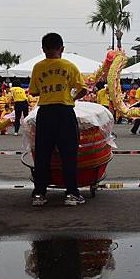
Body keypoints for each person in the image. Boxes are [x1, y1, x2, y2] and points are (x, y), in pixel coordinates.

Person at [28, 32, 87, 207]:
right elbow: (83, 88)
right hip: (65, 112)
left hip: (45, 113)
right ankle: (71, 194)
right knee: (69, 154)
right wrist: (72, 97)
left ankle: (39, 194)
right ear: (62, 48)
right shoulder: (69, 66)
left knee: (42, 154)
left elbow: (33, 91)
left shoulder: (38, 67)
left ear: (43, 49)